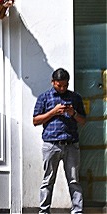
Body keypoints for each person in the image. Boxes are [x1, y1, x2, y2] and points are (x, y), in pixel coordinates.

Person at [33, 68, 87, 214]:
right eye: (59, 85)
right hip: (51, 145)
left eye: (65, 85)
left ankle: (77, 211)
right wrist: (53, 112)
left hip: (71, 145)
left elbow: (83, 121)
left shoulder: (75, 98)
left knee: (74, 181)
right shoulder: (44, 97)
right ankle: (44, 211)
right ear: (52, 82)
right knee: (48, 181)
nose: (62, 88)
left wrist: (73, 113)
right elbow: (35, 120)